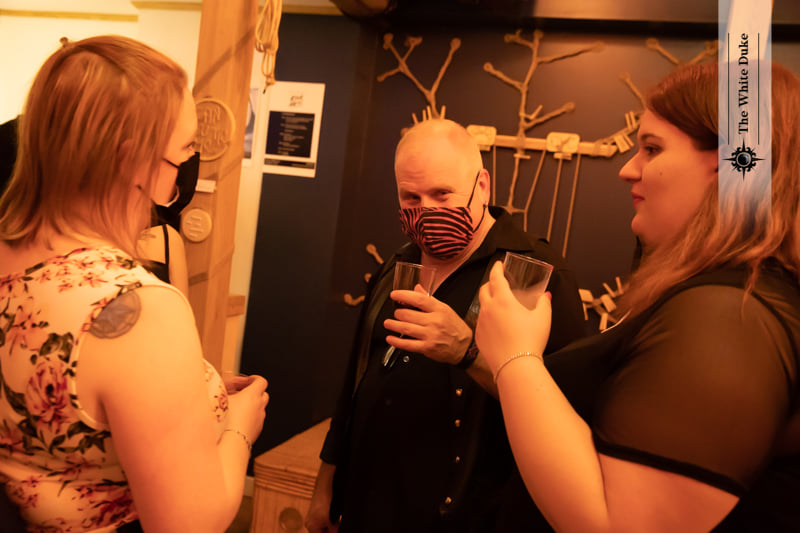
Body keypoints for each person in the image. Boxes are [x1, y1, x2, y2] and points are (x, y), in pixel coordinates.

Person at [474, 61, 800, 532]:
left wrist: (515, 357)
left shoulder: (730, 317)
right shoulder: (720, 300)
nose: (628, 170)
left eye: (652, 148)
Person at [0, 35, 269, 532]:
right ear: (132, 161)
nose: (181, 178)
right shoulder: (133, 306)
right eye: (182, 153)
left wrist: (197, 384)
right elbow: (190, 523)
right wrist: (240, 426)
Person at [306, 118, 586, 533]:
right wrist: (326, 484)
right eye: (411, 197)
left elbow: (564, 414)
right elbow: (357, 379)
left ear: (482, 186)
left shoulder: (533, 275)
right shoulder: (398, 262)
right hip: (369, 505)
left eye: (442, 194)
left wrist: (466, 352)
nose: (427, 211)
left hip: (465, 519)